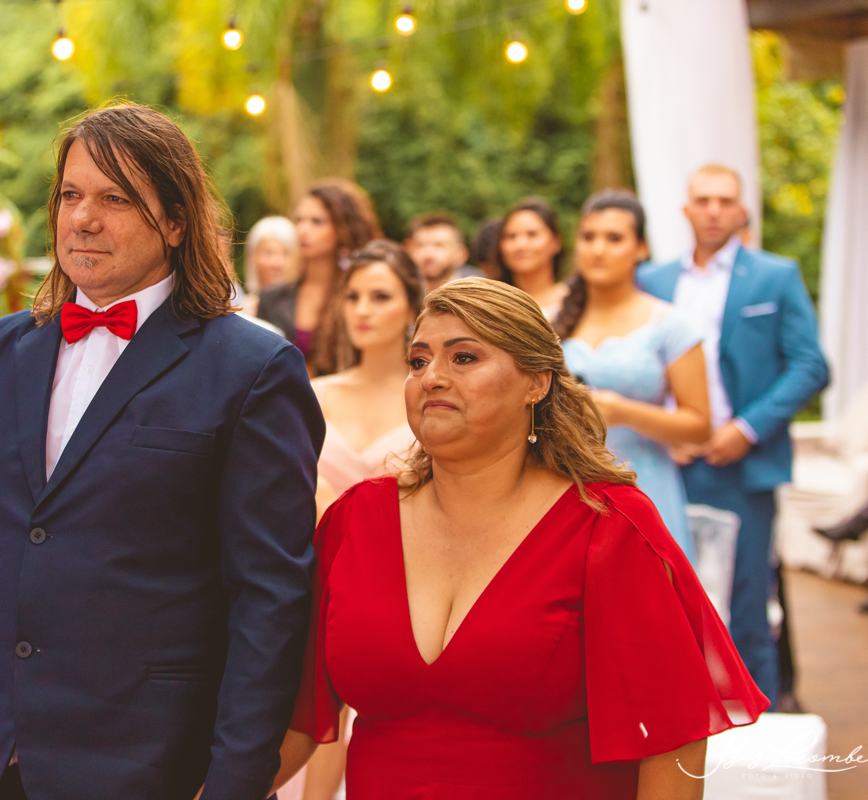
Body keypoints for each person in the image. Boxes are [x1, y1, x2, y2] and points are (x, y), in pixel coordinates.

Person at [0, 103, 325, 800]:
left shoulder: (252, 369)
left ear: (176, 221)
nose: (83, 218)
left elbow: (271, 601)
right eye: (70, 194)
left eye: (115, 198)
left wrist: (232, 785)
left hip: (158, 771)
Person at [274, 278, 768, 799]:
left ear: (536, 382)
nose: (431, 377)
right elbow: (299, 721)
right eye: (418, 362)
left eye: (464, 358)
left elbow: (675, 740)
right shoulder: (355, 520)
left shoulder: (607, 525)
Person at [639, 164, 829, 707]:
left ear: (742, 211)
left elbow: (810, 365)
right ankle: (679, 723)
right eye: (703, 200)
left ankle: (762, 731)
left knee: (747, 607)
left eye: (725, 201)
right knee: (666, 605)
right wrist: (665, 427)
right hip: (667, 463)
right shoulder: (653, 281)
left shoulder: (775, 276)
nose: (714, 210)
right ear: (686, 210)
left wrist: (746, 429)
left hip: (743, 465)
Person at [279, 240, 423, 800]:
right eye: (353, 296)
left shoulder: (432, 398)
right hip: (315, 575)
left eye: (380, 296)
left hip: (404, 580)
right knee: (307, 708)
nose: (362, 309)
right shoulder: (311, 393)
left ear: (412, 306)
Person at [557, 190, 710, 560]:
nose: (598, 250)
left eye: (614, 238)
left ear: (641, 248)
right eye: (588, 237)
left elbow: (700, 426)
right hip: (562, 486)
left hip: (643, 485)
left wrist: (625, 412)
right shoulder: (551, 321)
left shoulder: (670, 324)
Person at [257, 179, 382, 376]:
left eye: (316, 222)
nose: (303, 230)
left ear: (342, 227)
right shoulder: (271, 298)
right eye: (299, 220)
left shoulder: (358, 297)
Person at [495, 199, 568, 316]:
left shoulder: (576, 301)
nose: (520, 244)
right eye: (511, 236)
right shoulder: (492, 305)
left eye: (532, 234)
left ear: (555, 242)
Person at [404, 213, 481, 292]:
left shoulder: (477, 290)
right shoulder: (402, 290)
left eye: (439, 245)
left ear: (461, 254)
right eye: (420, 245)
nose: (428, 253)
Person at [242, 216, 300, 314]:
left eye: (285, 253)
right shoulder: (240, 308)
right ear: (253, 257)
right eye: (268, 253)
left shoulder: (303, 311)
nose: (277, 264)